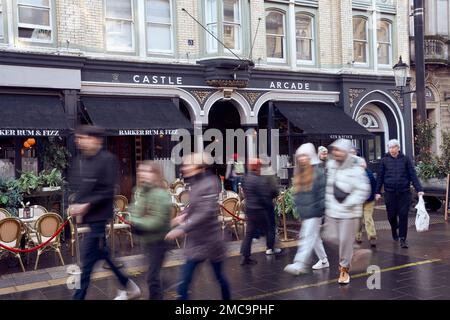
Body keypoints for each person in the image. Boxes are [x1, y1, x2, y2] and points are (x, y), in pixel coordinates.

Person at [68, 125, 141, 300]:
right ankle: (129, 286)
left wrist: (86, 205)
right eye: (78, 138)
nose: (79, 141)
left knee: (86, 265)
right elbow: (81, 187)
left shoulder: (108, 159)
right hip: (89, 219)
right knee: (103, 255)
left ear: (96, 139)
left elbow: (109, 191)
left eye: (83, 137)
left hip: (99, 219)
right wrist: (75, 203)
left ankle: (78, 297)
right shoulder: (80, 160)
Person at [165, 152, 231, 300]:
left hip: (211, 241)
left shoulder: (210, 182)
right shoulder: (195, 182)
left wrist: (183, 228)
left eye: (189, 165)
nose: (185, 167)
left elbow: (205, 212)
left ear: (200, 167)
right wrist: (182, 216)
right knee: (184, 281)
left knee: (219, 277)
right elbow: (194, 206)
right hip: (196, 241)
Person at [323, 139, 370, 284]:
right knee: (329, 236)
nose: (336, 152)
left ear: (346, 152)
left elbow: (364, 190)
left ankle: (344, 270)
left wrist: (347, 202)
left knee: (344, 240)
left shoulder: (356, 168)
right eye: (334, 150)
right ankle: (353, 250)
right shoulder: (331, 165)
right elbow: (328, 186)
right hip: (332, 210)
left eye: (339, 150)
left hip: (349, 213)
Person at [129, 161, 172, 300]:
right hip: (146, 239)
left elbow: (157, 221)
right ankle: (164, 284)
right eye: (141, 171)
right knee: (152, 274)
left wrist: (138, 221)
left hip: (159, 241)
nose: (143, 174)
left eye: (147, 171)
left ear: (156, 174)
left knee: (152, 277)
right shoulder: (139, 191)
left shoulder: (160, 194)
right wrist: (139, 219)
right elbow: (134, 211)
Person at [284, 143, 328, 275]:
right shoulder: (302, 172)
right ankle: (324, 260)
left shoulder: (317, 172)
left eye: (305, 155)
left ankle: (299, 264)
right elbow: (299, 194)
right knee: (313, 237)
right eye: (300, 156)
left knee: (307, 237)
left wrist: (320, 211)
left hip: (314, 212)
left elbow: (322, 194)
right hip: (307, 213)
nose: (302, 158)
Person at [375, 139, 424, 248]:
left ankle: (403, 239)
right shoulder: (384, 160)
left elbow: (413, 175)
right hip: (389, 192)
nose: (392, 150)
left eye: (394, 147)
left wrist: (419, 189)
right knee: (391, 215)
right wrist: (377, 191)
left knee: (403, 215)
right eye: (390, 148)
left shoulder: (406, 159)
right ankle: (394, 228)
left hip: (404, 192)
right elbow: (380, 177)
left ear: (398, 148)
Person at [240, 158, 281, 265]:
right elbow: (265, 197)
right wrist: (269, 206)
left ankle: (245, 256)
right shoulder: (258, 180)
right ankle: (273, 248)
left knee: (249, 234)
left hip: (250, 209)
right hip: (260, 210)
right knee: (269, 229)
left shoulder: (246, 178)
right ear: (257, 167)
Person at [260, 155, 280, 255]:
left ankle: (268, 245)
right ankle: (270, 247)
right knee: (271, 225)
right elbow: (274, 189)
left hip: (259, 203)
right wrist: (276, 195)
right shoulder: (269, 172)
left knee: (265, 225)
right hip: (268, 202)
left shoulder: (257, 172)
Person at [355, 159, 378, 248]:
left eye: (363, 163)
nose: (362, 165)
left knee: (368, 218)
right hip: (358, 201)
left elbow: (374, 185)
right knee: (359, 220)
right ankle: (358, 236)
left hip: (369, 200)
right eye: (360, 163)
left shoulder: (370, 173)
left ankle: (372, 236)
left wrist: (376, 194)